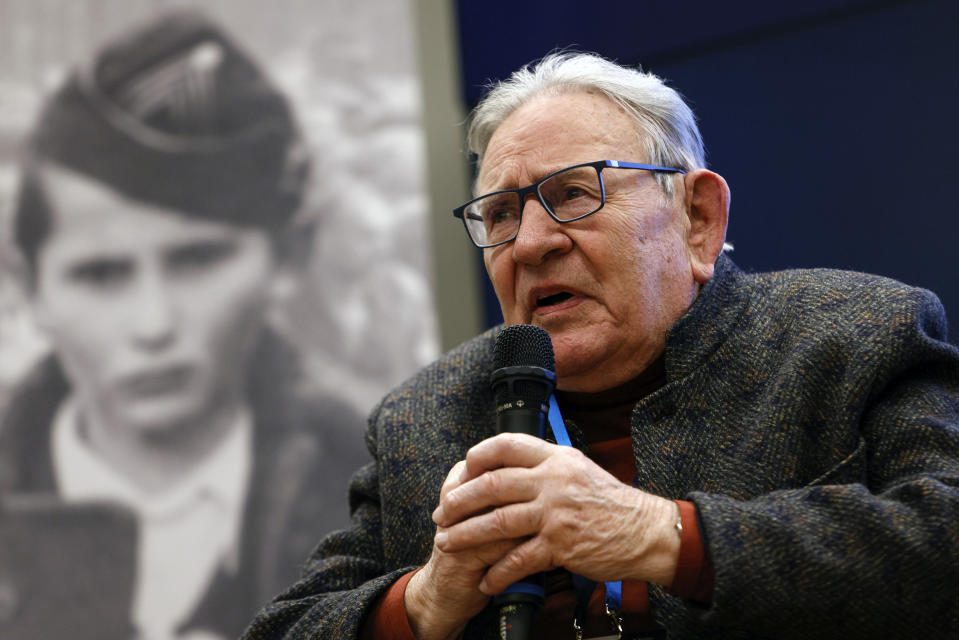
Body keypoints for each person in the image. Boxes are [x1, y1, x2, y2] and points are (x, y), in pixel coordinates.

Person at [241, 52, 959, 639]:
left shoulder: (851, 334)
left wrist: (661, 537)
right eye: (499, 213)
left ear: (697, 219)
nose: (528, 243)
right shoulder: (424, 416)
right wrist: (425, 602)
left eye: (574, 194)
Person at [0, 9, 368, 640]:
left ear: (285, 257)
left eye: (198, 260)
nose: (153, 325)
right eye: (100, 274)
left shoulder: (383, 494)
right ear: (31, 288)